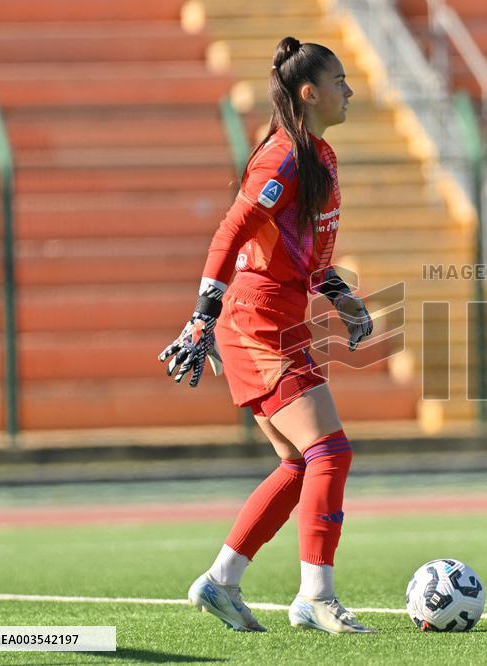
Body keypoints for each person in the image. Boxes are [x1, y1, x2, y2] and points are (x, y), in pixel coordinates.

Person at [157, 36, 375, 635]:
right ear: (309, 93)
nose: (348, 90)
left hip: (280, 316)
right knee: (330, 451)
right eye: (339, 81)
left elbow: (304, 257)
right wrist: (202, 314)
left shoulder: (319, 157)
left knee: (300, 463)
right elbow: (231, 233)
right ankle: (316, 597)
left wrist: (341, 296)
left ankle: (221, 582)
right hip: (255, 319)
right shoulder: (280, 158)